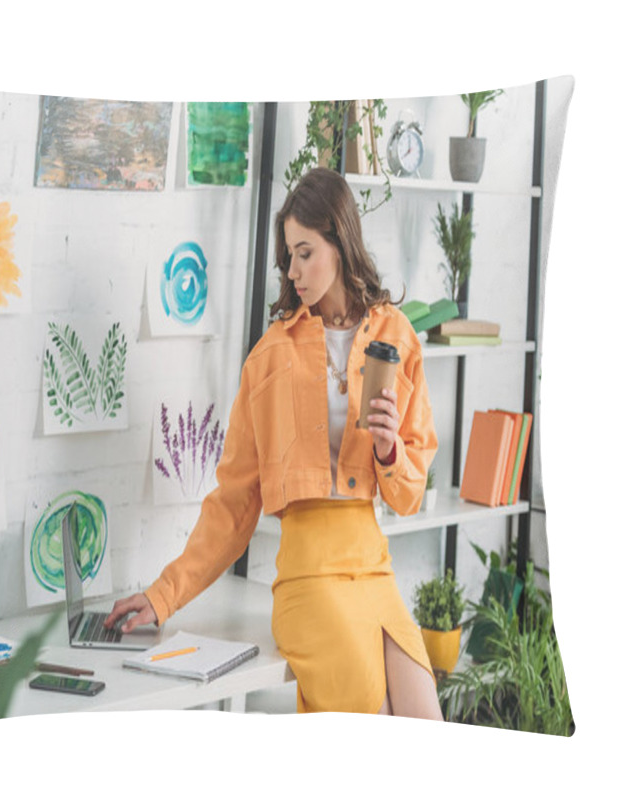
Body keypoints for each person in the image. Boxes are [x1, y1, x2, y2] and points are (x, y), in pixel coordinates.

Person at [105, 167, 443, 719]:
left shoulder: (395, 336)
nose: (294, 270)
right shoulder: (270, 357)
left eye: (305, 252)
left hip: (374, 568)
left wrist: (389, 452)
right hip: (308, 578)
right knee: (373, 720)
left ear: (339, 240)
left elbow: (408, 494)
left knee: (428, 722)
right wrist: (163, 594)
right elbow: (234, 504)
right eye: (289, 255)